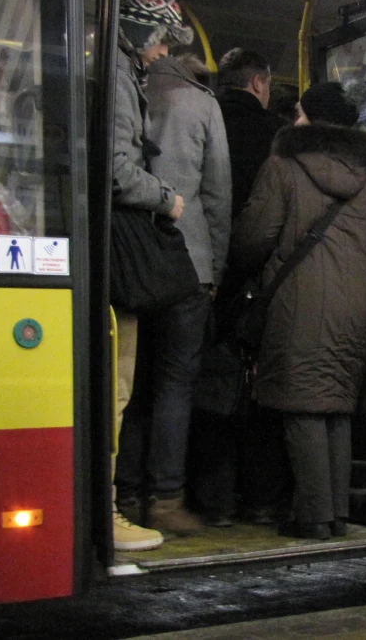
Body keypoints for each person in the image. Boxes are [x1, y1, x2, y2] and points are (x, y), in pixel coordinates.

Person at [232, 82, 366, 539]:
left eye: (298, 113)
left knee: (301, 405)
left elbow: (254, 238)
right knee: (335, 404)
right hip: (355, 306)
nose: (292, 120)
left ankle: (313, 515)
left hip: (299, 299)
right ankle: (336, 512)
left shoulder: (283, 168)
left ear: (314, 120)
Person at [116, 52, 232, 534]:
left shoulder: (126, 88)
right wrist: (216, 267)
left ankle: (123, 493)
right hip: (188, 262)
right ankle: (165, 498)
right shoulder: (202, 104)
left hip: (132, 260)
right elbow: (217, 195)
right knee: (175, 385)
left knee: (131, 383)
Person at [108, 0, 192, 551]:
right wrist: (166, 197)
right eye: (161, 38)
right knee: (117, 384)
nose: (162, 52)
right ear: (141, 28)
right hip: (122, 253)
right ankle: (106, 510)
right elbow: (116, 168)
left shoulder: (116, 69)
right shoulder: (117, 76)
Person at [214, 47, 290, 525]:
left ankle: (211, 500)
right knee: (259, 395)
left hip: (205, 276)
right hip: (259, 284)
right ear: (260, 83)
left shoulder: (206, 119)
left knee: (210, 389)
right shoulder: (275, 138)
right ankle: (260, 498)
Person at [217, 48, 286, 219]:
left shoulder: (204, 117)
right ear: (256, 83)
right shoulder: (277, 131)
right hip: (252, 226)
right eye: (267, 84)